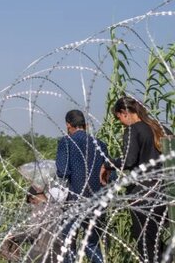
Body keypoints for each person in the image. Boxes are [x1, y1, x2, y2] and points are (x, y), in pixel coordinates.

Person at [100, 96, 172, 262]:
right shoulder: (160, 128)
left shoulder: (134, 130)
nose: (122, 123)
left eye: (119, 119)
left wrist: (108, 164)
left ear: (124, 113)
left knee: (145, 246)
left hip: (142, 195)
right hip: (163, 193)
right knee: (154, 241)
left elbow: (129, 160)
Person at [55, 109, 108, 263]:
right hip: (96, 199)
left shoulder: (66, 142)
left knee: (68, 243)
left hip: (74, 199)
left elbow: (63, 172)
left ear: (68, 125)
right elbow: (108, 173)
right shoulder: (100, 144)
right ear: (84, 125)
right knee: (91, 243)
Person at [0, 186, 63, 262]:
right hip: (56, 252)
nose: (34, 205)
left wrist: (15, 237)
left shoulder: (42, 210)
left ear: (36, 196)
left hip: (41, 253)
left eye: (33, 202)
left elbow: (34, 234)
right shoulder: (57, 209)